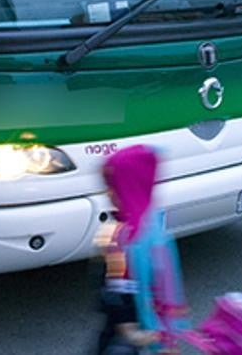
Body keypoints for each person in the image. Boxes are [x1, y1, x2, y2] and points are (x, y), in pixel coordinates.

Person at [94, 145, 189, 354]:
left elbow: (115, 294)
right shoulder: (155, 231)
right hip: (144, 337)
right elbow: (168, 288)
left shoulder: (123, 237)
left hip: (130, 340)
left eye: (114, 186)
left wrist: (131, 333)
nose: (108, 194)